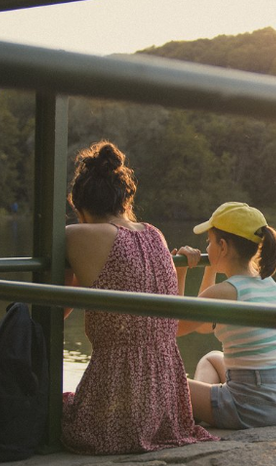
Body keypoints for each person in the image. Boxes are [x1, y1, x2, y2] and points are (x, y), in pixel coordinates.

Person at [61, 141, 217, 454]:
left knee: (48, 409)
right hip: (167, 403)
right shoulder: (154, 233)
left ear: (80, 207)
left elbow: (56, 311)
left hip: (117, 402)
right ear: (123, 201)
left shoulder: (75, 235)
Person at [176, 202, 276, 429]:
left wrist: (179, 273)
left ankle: (195, 409)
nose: (206, 247)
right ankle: (200, 405)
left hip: (252, 406)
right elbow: (205, 326)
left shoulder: (226, 292)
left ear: (222, 247)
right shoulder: (268, 283)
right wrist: (211, 268)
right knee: (212, 358)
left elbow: (174, 327)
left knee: (168, 384)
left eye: (209, 242)